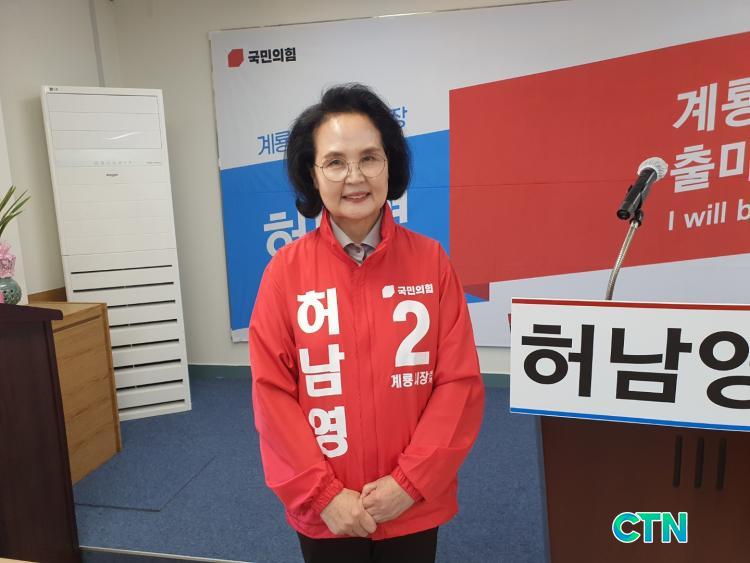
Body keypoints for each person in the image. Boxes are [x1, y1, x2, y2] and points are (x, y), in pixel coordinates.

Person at [249, 83, 484, 563]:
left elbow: (457, 384)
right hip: (327, 512)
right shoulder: (284, 273)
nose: (354, 177)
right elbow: (273, 395)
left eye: (369, 158)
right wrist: (323, 495)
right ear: (312, 174)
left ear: (389, 165)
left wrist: (410, 483)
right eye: (335, 162)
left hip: (411, 504)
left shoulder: (430, 261)